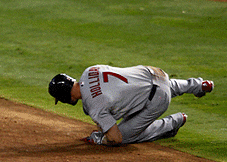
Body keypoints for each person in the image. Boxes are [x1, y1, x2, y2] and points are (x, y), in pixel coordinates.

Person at [48, 65, 214, 145]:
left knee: (123, 137)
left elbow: (115, 137)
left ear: (63, 96)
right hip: (154, 73)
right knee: (147, 86)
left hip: (158, 100)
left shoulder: (94, 106)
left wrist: (101, 139)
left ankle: (173, 123)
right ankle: (198, 85)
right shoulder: (89, 70)